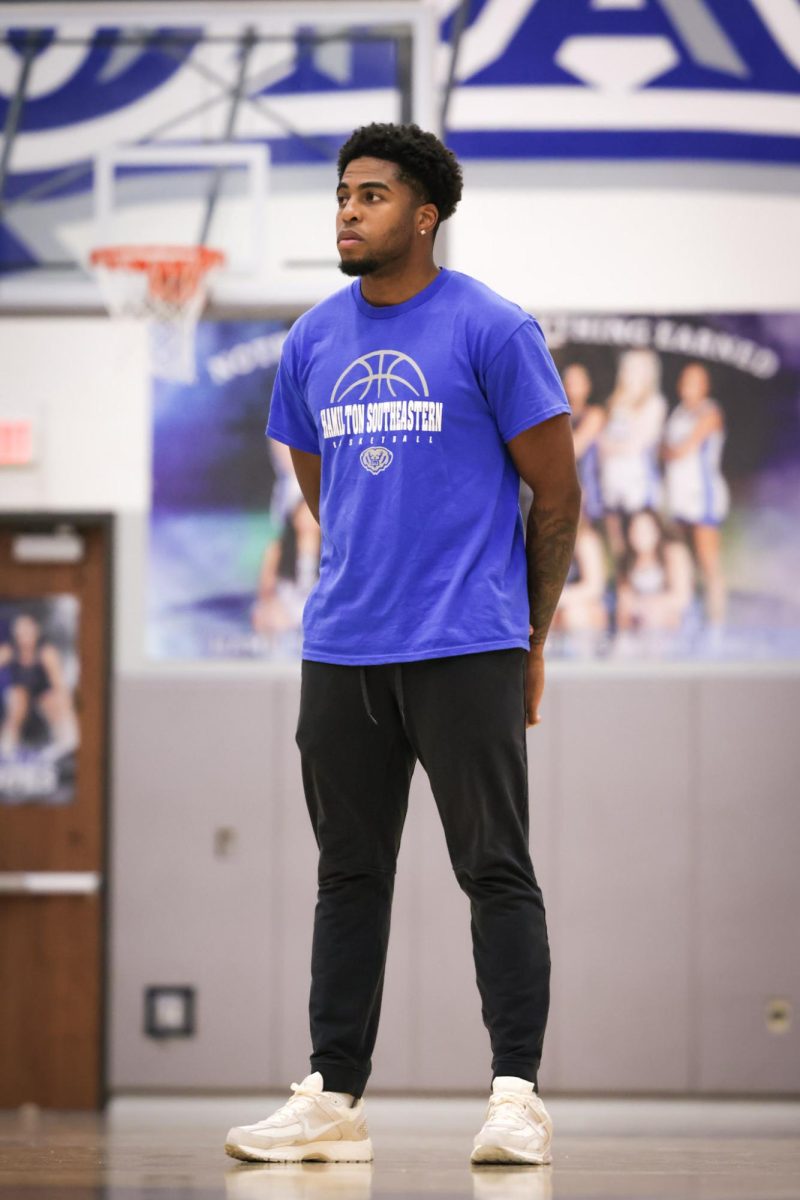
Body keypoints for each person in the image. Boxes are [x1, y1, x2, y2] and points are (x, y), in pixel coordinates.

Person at [225, 122, 580, 1169]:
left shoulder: (492, 329)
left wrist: (529, 636)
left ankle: (514, 1096)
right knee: (347, 876)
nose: (347, 209)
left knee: (494, 869)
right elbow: (318, 483)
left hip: (465, 644)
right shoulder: (309, 342)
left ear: (423, 217)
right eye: (342, 193)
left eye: (371, 195)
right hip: (341, 650)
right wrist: (360, 575)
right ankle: (332, 1099)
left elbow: (555, 495)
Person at [662, 362, 729, 629]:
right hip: (679, 498)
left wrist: (668, 449)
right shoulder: (678, 413)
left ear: (705, 385)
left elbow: (680, 449)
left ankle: (717, 624)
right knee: (683, 561)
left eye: (694, 381)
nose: (687, 385)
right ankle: (688, 619)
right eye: (684, 379)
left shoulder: (711, 412)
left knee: (708, 562)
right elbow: (664, 450)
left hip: (703, 497)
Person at [598, 349, 667, 565]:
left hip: (638, 481)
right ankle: (622, 589)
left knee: (642, 541)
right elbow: (602, 442)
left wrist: (612, 445)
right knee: (617, 541)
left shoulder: (655, 403)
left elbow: (638, 443)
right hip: (611, 480)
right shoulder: (615, 401)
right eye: (627, 368)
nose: (630, 372)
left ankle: (646, 590)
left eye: (637, 368)